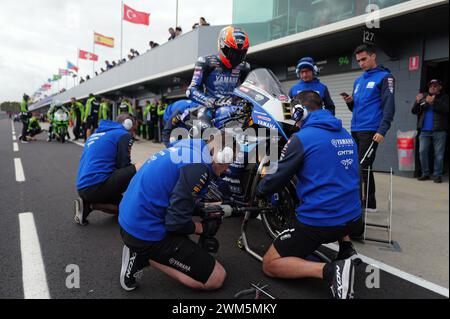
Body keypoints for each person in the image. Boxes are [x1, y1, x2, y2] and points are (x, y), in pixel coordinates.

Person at [257, 91, 362, 299]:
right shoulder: (346, 134)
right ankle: (347, 248)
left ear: (300, 111)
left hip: (319, 224)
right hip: (354, 220)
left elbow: (278, 177)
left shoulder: (302, 138)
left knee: (270, 264)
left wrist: (261, 190)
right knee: (338, 189)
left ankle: (331, 271)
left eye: (293, 115)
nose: (293, 121)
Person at [118, 132, 236, 291]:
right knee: (216, 278)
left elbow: (173, 196)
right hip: (143, 233)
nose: (228, 168)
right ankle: (142, 255)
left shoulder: (190, 148)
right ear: (221, 155)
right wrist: (202, 228)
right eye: (229, 162)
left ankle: (144, 250)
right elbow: (175, 222)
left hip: (131, 220)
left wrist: (200, 209)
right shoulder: (197, 167)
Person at [342, 44, 395, 213]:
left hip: (371, 130)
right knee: (361, 166)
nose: (361, 63)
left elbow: (389, 106)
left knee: (362, 166)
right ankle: (369, 203)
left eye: (364, 59)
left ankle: (362, 204)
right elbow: (356, 108)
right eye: (358, 61)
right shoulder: (359, 80)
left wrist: (382, 130)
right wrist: (350, 102)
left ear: (373, 56)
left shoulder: (385, 77)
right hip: (356, 129)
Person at [74, 114, 140, 226]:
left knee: (128, 208)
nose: (134, 133)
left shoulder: (95, 135)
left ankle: (88, 205)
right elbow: (123, 165)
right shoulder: (123, 134)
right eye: (134, 129)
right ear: (128, 124)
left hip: (84, 187)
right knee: (141, 166)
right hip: (98, 184)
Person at [412, 79, 449, 183]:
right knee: (422, 152)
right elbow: (414, 111)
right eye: (430, 86)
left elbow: (446, 110)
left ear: (440, 87)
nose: (432, 88)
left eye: (435, 86)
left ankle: (437, 175)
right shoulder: (423, 96)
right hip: (424, 131)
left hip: (439, 130)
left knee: (439, 154)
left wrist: (433, 102)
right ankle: (425, 173)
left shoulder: (444, 97)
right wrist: (418, 102)